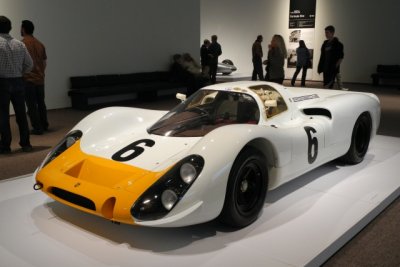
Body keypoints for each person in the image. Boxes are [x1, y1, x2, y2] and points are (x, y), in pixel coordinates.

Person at [0, 15, 33, 154]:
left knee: (3, 115)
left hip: (2, 82)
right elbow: (29, 65)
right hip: (18, 81)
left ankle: (5, 146)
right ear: (10, 28)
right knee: (21, 114)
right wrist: (20, 72)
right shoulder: (19, 44)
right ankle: (25, 144)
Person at [21, 20, 49, 135]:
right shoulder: (40, 44)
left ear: (23, 29)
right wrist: (41, 73)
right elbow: (44, 62)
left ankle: (37, 128)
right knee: (41, 103)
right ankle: (44, 124)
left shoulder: (22, 44)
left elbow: (22, 62)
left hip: (28, 79)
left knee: (31, 105)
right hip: (40, 79)